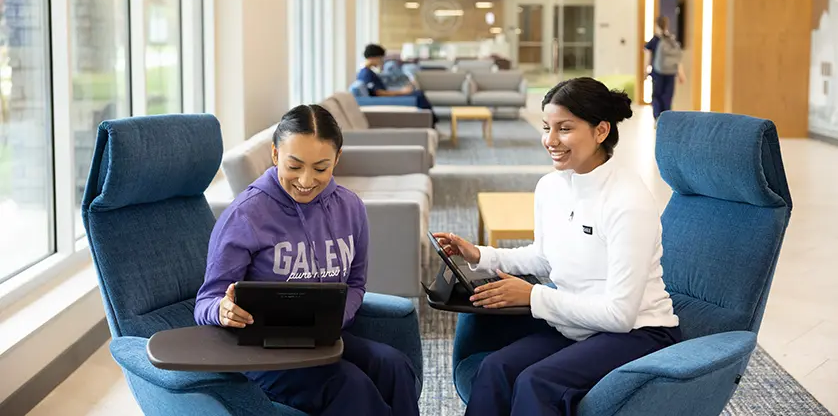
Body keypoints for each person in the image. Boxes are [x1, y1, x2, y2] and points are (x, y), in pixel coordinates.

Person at [434, 77, 681, 416]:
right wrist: (480, 255)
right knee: (495, 368)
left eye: (564, 129)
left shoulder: (628, 200)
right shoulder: (550, 187)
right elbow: (544, 257)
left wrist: (533, 296)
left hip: (637, 332)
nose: (550, 140)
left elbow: (619, 315)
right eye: (546, 127)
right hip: (577, 324)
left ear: (601, 131)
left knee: (536, 382)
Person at [194, 105, 419, 416]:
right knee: (352, 386)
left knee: (395, 366)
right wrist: (222, 310)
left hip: (325, 340)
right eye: (295, 166)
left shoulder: (350, 207)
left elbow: (356, 283)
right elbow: (205, 302)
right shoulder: (245, 215)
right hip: (261, 354)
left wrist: (333, 321)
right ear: (275, 154)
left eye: (320, 168)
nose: (306, 180)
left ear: (337, 159)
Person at [357, 43, 439, 127]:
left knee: (418, 93)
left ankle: (432, 123)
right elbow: (379, 93)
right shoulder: (366, 74)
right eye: (380, 58)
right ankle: (432, 124)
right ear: (373, 57)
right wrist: (402, 92)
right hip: (383, 99)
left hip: (385, 96)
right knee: (419, 96)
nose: (381, 61)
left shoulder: (368, 72)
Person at [644, 15, 686, 121]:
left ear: (656, 25)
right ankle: (667, 119)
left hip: (657, 73)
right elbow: (677, 58)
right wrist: (681, 73)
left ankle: (658, 118)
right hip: (670, 73)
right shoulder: (671, 40)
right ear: (667, 25)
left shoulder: (654, 40)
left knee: (656, 96)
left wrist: (645, 71)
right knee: (667, 97)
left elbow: (647, 58)